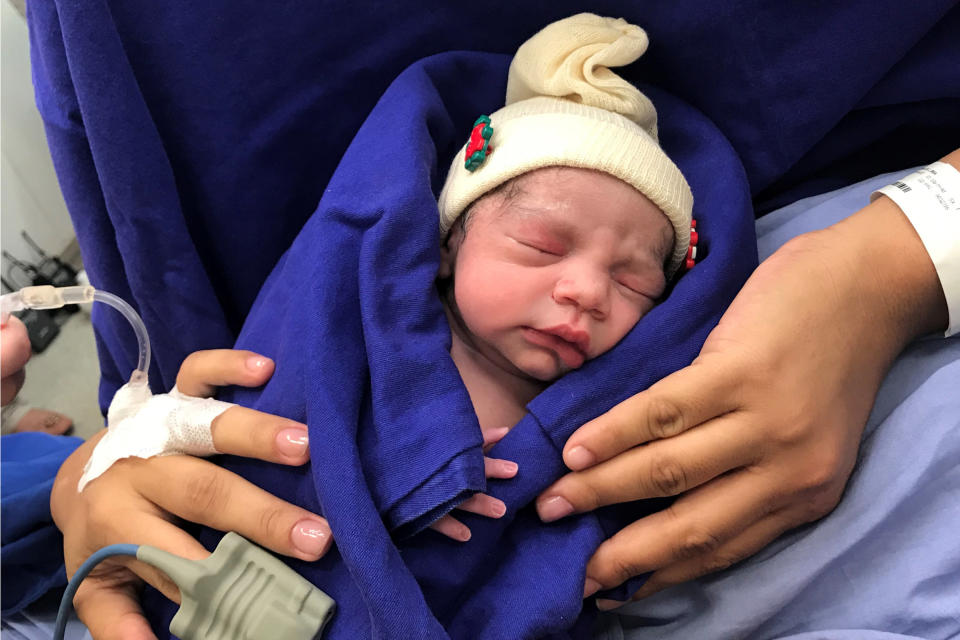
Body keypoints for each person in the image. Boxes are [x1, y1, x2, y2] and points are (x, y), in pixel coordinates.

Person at [49, 19, 957, 640]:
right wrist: (99, 468)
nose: (583, 293)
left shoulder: (624, 392)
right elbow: (229, 408)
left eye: (636, 283)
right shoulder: (360, 319)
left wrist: (902, 259)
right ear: (441, 248)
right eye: (539, 245)